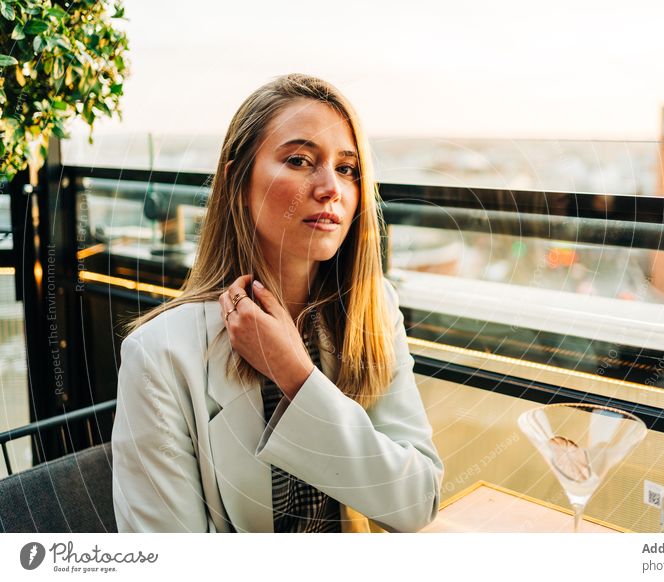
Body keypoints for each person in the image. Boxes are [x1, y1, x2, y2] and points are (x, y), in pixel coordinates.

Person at [111, 74, 444, 533]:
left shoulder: (373, 310)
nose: (331, 187)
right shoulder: (159, 354)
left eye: (347, 168)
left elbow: (417, 501)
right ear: (236, 181)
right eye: (300, 160)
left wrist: (296, 375)